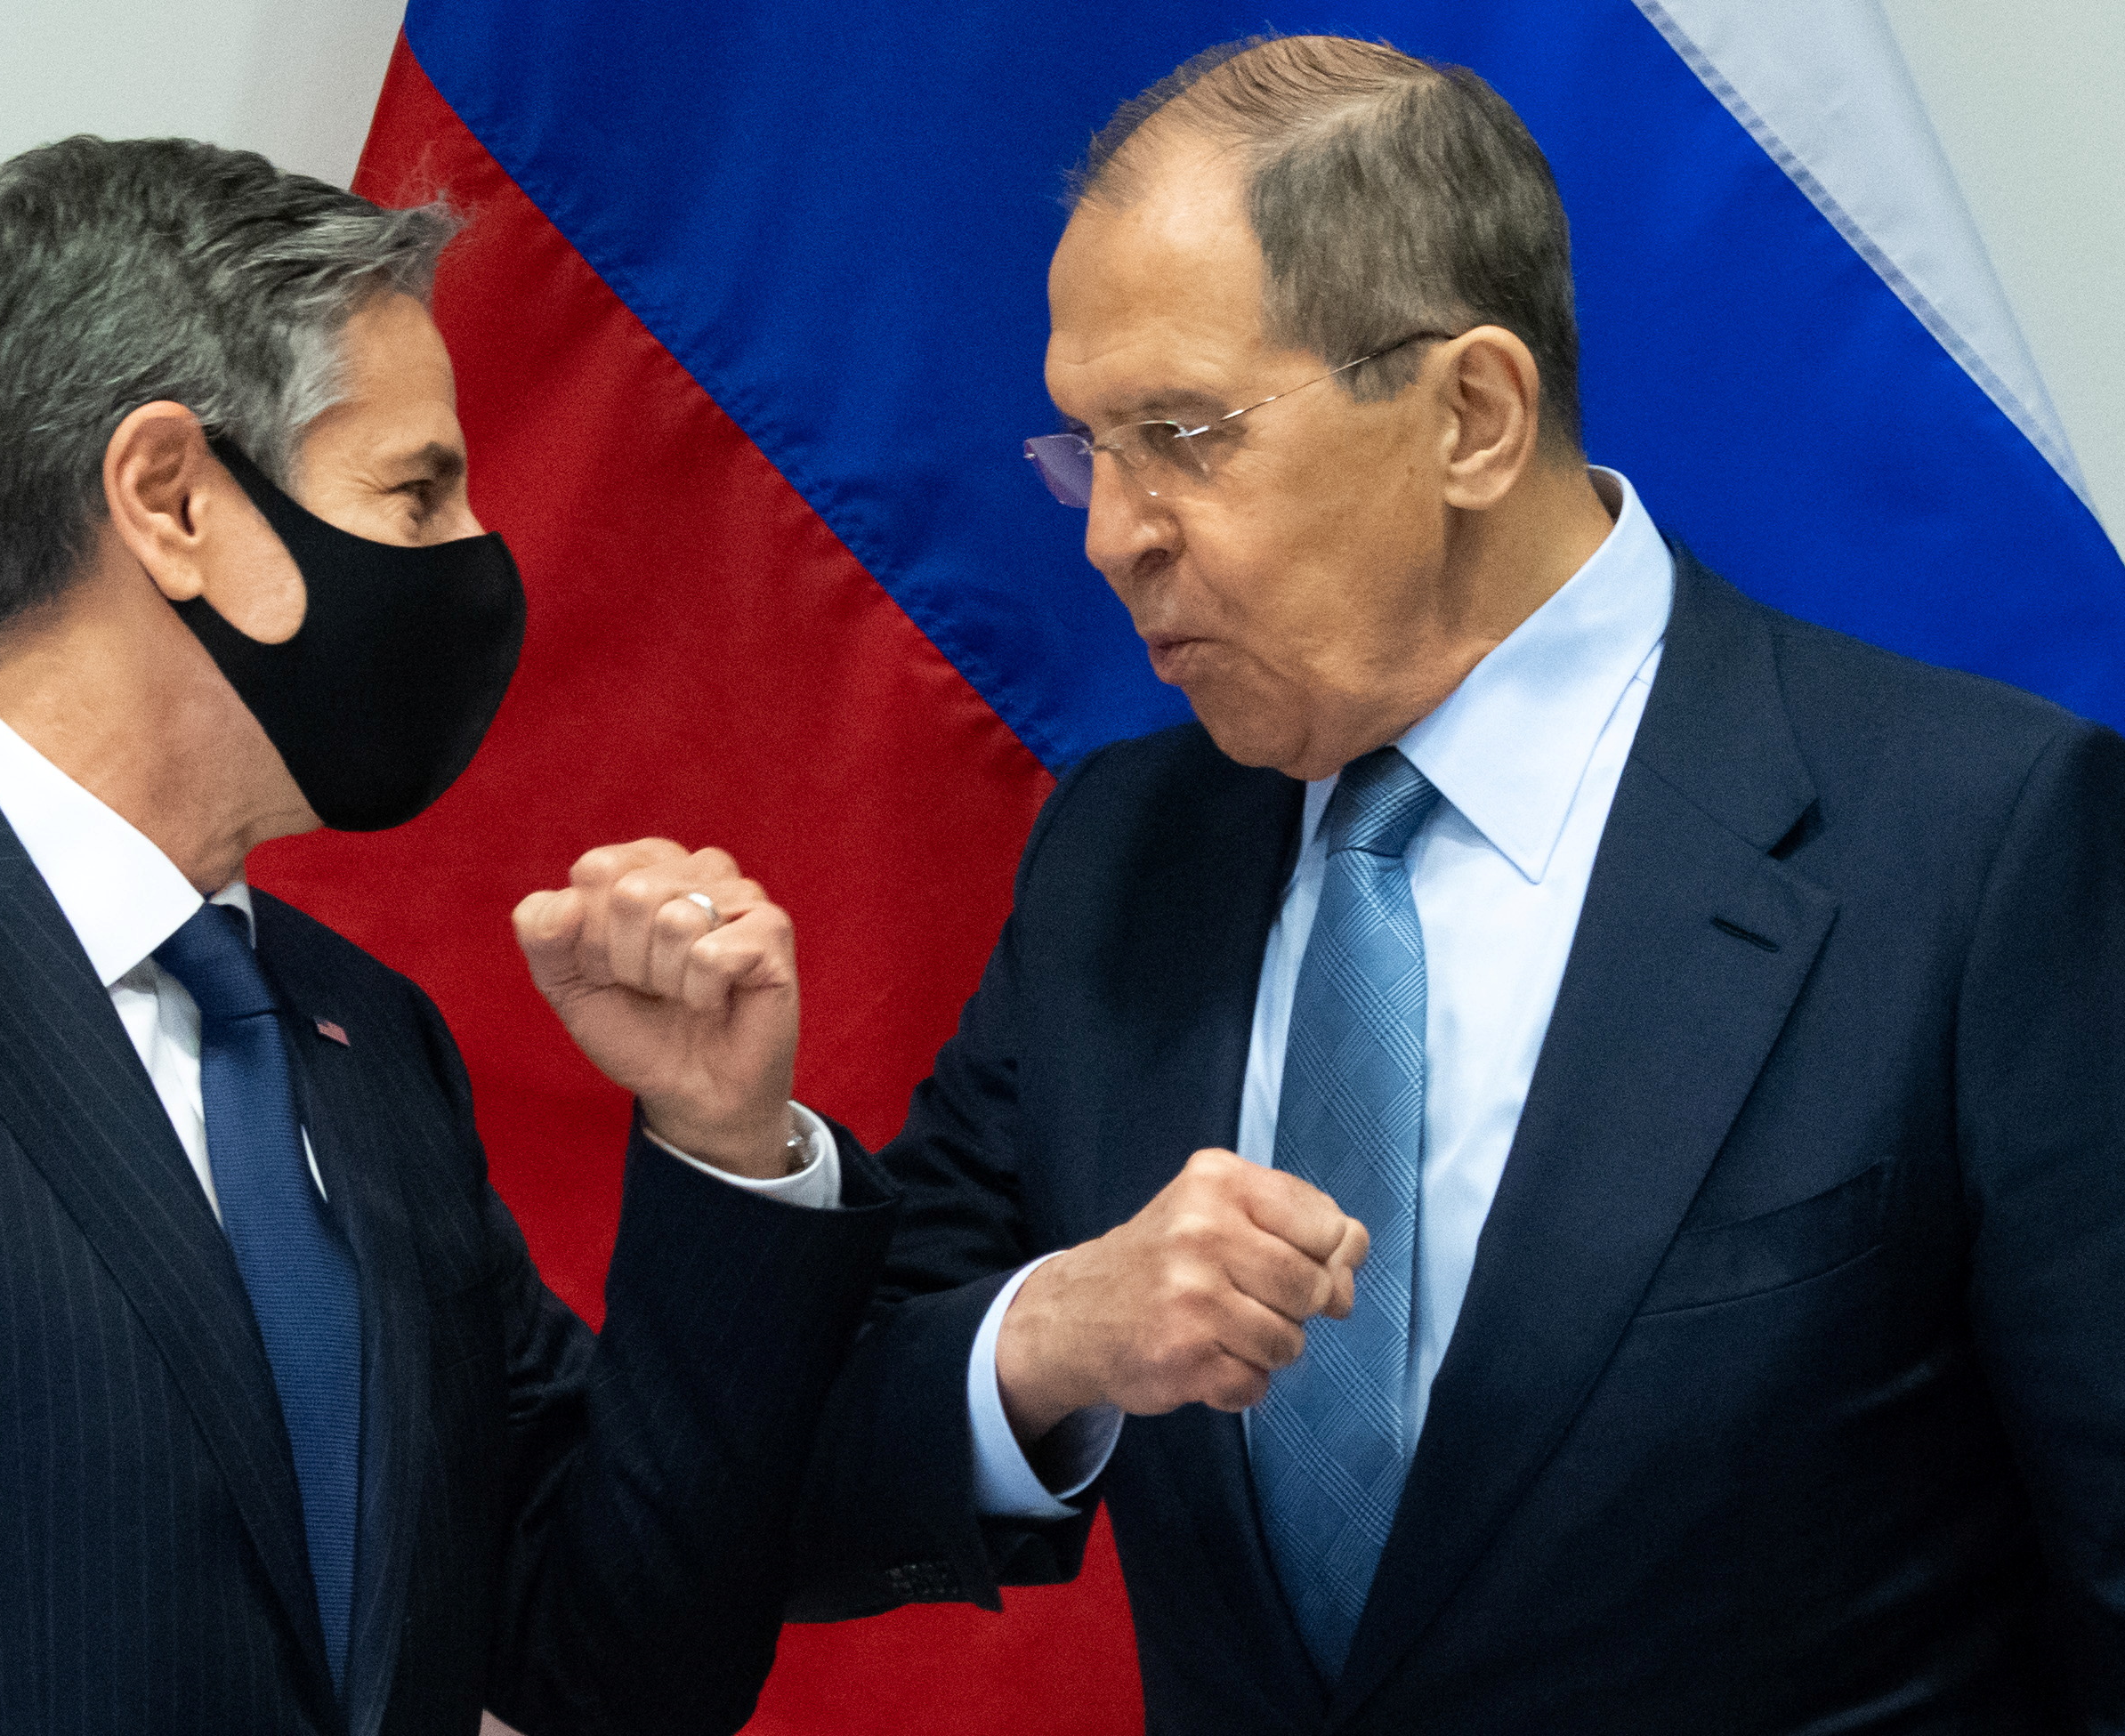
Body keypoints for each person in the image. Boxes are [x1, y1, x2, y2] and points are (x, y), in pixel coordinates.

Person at [780, 34, 2125, 1732]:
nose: (1109, 531)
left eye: (1180, 436)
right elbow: (803, 1488)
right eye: (1087, 450)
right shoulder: (1120, 860)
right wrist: (1054, 1330)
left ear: (1471, 418)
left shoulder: (1980, 842)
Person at [0, 137, 894, 1736]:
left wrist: (721, 1143)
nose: (474, 559)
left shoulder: (366, 1040)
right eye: (418, 488)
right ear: (171, 499)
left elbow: (612, 1664)